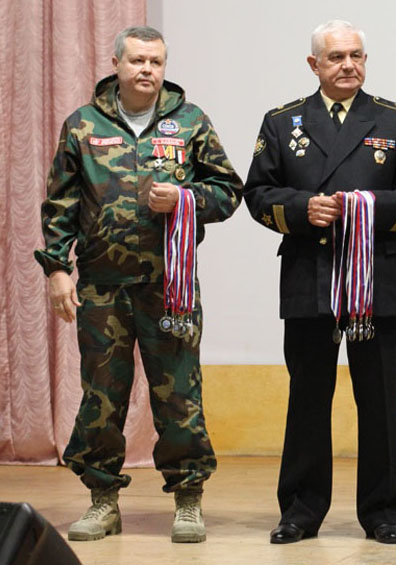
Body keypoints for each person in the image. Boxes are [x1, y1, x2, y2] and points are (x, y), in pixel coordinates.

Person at [35, 26, 243, 543]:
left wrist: (187, 198)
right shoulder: (82, 125)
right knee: (101, 396)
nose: (147, 70)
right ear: (117, 64)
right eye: (137, 61)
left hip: (169, 286)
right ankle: (103, 500)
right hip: (102, 288)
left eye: (155, 61)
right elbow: (60, 204)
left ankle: (188, 499)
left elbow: (228, 191)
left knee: (179, 395)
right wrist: (57, 269)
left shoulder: (190, 122)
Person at [244, 19, 396, 545]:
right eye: (336, 57)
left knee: (380, 400)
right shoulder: (282, 122)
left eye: (356, 56)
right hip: (310, 276)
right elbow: (257, 195)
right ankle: (300, 510)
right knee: (308, 398)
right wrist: (303, 209)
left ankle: (383, 512)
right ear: (314, 65)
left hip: (377, 279)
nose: (348, 65)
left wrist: (368, 207)